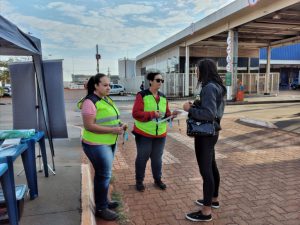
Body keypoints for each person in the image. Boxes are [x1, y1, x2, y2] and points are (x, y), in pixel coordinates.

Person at [183, 59, 226, 222]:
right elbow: (213, 110)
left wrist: (190, 109)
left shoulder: (208, 87)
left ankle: (206, 211)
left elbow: (208, 114)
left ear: (203, 70)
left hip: (205, 133)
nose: (196, 72)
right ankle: (213, 199)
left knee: (205, 170)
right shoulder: (218, 86)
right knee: (212, 166)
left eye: (197, 69)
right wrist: (197, 104)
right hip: (213, 132)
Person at [79, 73, 127, 221]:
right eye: (105, 85)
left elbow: (111, 118)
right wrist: (113, 130)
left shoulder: (106, 99)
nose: (109, 88)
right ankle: (101, 208)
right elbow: (89, 126)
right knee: (103, 175)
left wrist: (120, 124)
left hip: (108, 142)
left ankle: (104, 202)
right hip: (96, 144)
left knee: (104, 174)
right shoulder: (90, 102)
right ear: (96, 86)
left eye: (110, 85)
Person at [132, 71, 178, 192]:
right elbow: (136, 114)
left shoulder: (163, 97)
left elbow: (166, 113)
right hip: (144, 133)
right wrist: (152, 114)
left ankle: (158, 180)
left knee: (157, 159)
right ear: (150, 81)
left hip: (160, 134)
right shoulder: (141, 95)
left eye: (162, 81)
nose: (160, 83)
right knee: (142, 158)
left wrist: (171, 115)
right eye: (158, 80)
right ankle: (139, 181)